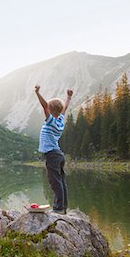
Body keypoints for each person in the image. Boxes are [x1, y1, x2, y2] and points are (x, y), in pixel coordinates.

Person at [35, 85, 73, 215]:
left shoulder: (51, 121)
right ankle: (63, 207)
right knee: (61, 181)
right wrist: (68, 97)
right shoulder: (60, 120)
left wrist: (37, 93)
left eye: (48, 109)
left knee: (55, 182)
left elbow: (44, 106)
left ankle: (58, 209)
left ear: (50, 111)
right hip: (58, 154)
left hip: (52, 155)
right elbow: (64, 108)